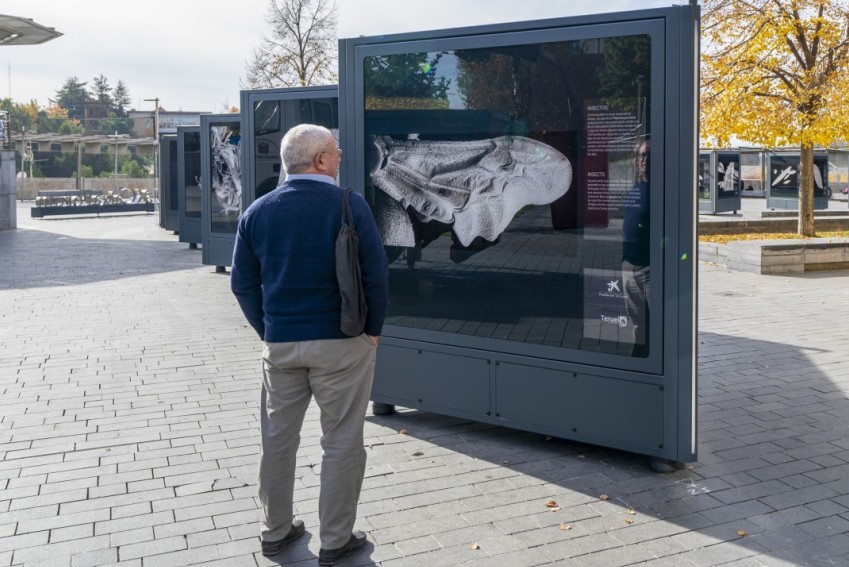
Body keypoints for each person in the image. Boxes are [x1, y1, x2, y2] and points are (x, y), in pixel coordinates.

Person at [230, 124, 389, 565]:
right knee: (341, 441)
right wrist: (373, 329)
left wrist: (270, 330)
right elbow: (376, 274)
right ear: (320, 160)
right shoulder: (348, 204)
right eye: (336, 153)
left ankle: (275, 532)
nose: (339, 160)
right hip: (342, 344)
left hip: (281, 347)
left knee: (277, 441)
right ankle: (336, 540)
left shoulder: (257, 212)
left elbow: (242, 284)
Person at [622, 137, 650, 358]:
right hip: (630, 268)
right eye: (642, 155)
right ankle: (639, 364)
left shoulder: (661, 190)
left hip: (651, 270)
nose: (645, 159)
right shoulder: (635, 188)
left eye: (650, 155)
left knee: (655, 325)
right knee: (637, 326)